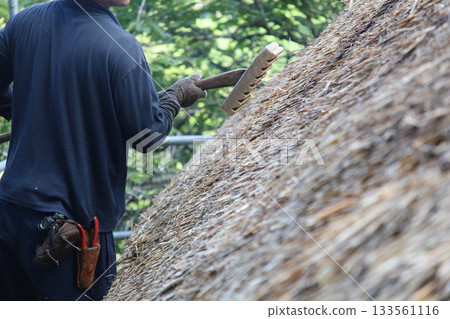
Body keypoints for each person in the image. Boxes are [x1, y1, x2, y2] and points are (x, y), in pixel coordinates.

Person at [0, 0, 206, 300]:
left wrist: (27, 110)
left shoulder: (25, 21)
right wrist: (175, 98)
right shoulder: (121, 47)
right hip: (70, 233)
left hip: (10, 214)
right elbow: (146, 137)